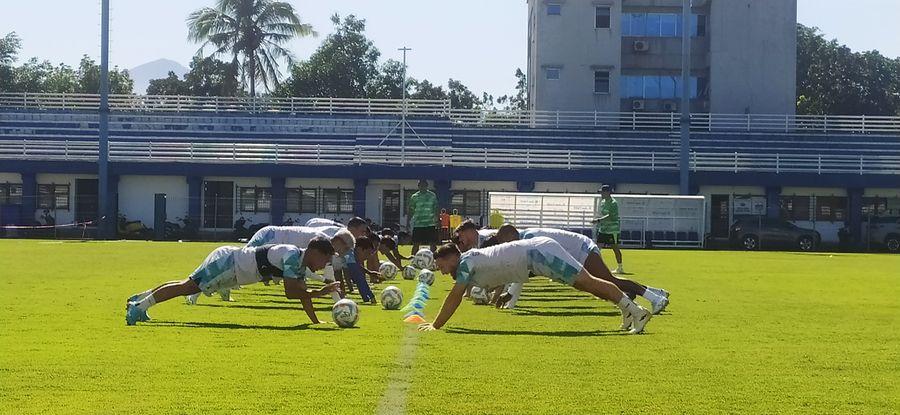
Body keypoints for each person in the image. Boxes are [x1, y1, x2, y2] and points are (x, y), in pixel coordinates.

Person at [419, 239, 652, 334]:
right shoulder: (469, 261)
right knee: (586, 286)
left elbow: (455, 297)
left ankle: (637, 311)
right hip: (536, 257)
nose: (441, 271)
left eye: (441, 265)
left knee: (588, 282)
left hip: (539, 254)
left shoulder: (466, 263)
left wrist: (436, 325)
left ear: (452, 258)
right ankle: (628, 309)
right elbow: (498, 271)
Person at [124, 239, 339, 326]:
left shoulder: (299, 262)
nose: (323, 265)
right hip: (229, 265)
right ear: (314, 252)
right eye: (324, 259)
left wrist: (315, 321)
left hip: (232, 265)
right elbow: (292, 294)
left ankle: (140, 301)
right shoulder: (293, 257)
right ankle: (138, 307)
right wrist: (322, 292)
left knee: (185, 284)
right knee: (187, 287)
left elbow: (301, 293)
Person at [493, 225, 669, 314]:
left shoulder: (528, 239)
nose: (504, 246)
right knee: (604, 287)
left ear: (511, 234)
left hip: (582, 250)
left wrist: (509, 294)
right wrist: (510, 294)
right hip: (578, 252)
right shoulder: (525, 238)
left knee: (610, 282)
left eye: (503, 241)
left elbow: (525, 269)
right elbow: (526, 269)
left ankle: (655, 298)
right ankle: (652, 296)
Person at [183, 226, 356, 304]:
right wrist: (324, 289)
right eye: (346, 248)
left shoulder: (320, 248)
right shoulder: (319, 243)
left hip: (273, 250)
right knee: (241, 260)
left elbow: (302, 273)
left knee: (241, 265)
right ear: (339, 241)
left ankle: (215, 286)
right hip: (268, 237)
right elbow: (299, 273)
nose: (344, 253)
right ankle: (199, 291)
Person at [594, 185, 624, 274]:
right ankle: (595, 266)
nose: (601, 194)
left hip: (612, 230)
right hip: (603, 229)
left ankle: (620, 267)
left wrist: (598, 220)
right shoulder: (603, 202)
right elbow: (603, 214)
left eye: (602, 192)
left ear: (608, 192)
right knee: (597, 247)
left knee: (615, 248)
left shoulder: (613, 203)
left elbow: (610, 216)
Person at [343, 236, 379, 305]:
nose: (367, 257)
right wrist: (371, 297)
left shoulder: (351, 254)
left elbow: (358, 267)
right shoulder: (349, 257)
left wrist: (369, 272)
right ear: (359, 249)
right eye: (367, 253)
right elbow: (360, 279)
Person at [407, 179, 440, 253]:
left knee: (433, 244)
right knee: (416, 244)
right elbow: (411, 210)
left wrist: (438, 220)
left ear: (427, 186)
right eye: (420, 186)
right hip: (418, 224)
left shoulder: (432, 196)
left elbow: (436, 208)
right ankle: (413, 261)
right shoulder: (414, 197)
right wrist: (408, 222)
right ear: (418, 186)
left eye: (424, 186)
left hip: (430, 223)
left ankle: (434, 261)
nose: (422, 187)